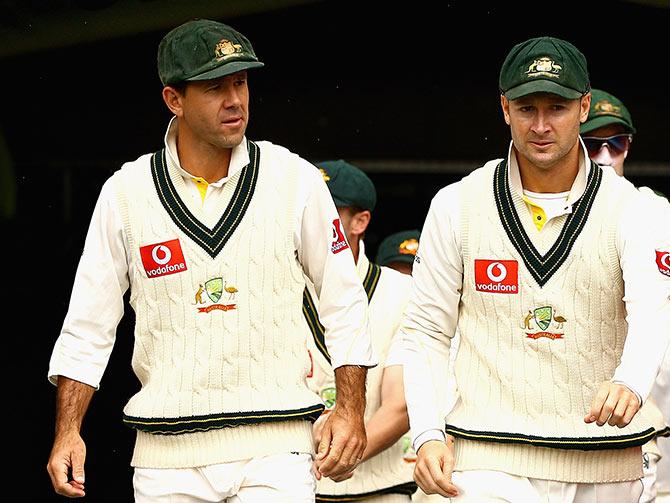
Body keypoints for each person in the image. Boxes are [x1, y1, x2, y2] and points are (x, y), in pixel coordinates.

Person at [46, 18, 377, 501]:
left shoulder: (295, 180)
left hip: (278, 446)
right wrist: (67, 431)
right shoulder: (125, 194)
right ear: (173, 100)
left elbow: (343, 300)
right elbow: (89, 325)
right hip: (167, 457)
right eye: (214, 87)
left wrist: (350, 408)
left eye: (241, 82)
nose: (235, 100)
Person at [400, 35, 670, 502]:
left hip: (604, 459)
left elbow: (652, 311)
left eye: (557, 108)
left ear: (584, 107)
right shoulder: (457, 204)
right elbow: (425, 330)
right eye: (527, 109)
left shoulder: (635, 210)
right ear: (504, 108)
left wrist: (630, 379)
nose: (541, 125)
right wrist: (426, 431)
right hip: (487, 454)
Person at [305, 159, 417, 501]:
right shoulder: (278, 287)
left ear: (360, 221)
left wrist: (339, 457)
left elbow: (401, 404)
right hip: (292, 484)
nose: (312, 222)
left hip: (381, 488)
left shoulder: (402, 291)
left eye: (328, 211)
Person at [581, 88, 670, 503]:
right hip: (561, 409)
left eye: (614, 143)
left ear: (628, 146)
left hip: (646, 415)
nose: (604, 155)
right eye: (592, 143)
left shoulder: (657, 214)